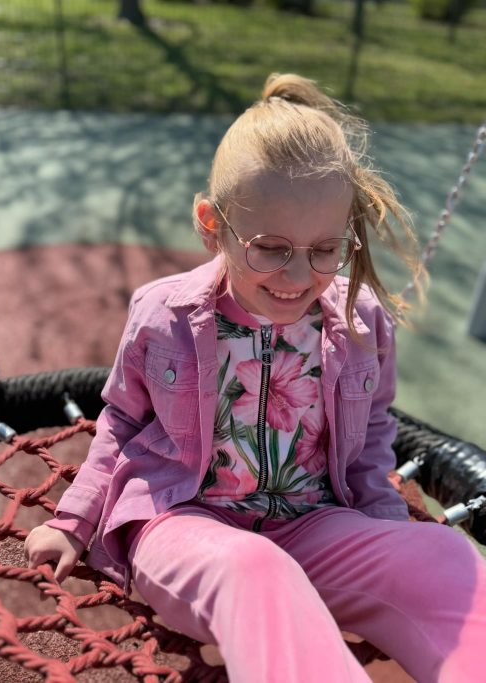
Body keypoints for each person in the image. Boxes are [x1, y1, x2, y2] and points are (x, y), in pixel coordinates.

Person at [24, 73, 486, 682]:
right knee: (254, 568)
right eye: (270, 248)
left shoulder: (361, 319)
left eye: (326, 249)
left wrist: (384, 532)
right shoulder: (164, 314)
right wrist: (74, 522)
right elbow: (121, 421)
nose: (298, 275)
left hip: (314, 524)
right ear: (211, 225)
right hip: (185, 523)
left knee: (442, 554)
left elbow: (373, 428)